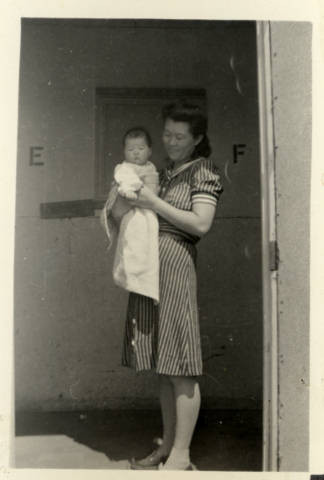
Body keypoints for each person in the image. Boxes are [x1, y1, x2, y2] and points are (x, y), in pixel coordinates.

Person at [113, 101, 223, 470]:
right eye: (167, 135)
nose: (171, 142)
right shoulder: (166, 170)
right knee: (165, 365)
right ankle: (166, 447)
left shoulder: (203, 170)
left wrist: (153, 201)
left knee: (181, 364)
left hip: (175, 267)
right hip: (152, 269)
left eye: (180, 137)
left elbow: (201, 224)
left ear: (198, 139)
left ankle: (181, 454)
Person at [101, 127, 160, 302]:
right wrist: (129, 189)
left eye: (140, 149)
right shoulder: (123, 167)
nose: (135, 154)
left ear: (149, 151)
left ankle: (142, 277)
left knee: (146, 242)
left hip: (148, 212)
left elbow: (153, 189)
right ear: (124, 152)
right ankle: (131, 272)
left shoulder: (151, 168)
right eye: (130, 150)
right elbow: (123, 179)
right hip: (131, 210)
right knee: (132, 240)